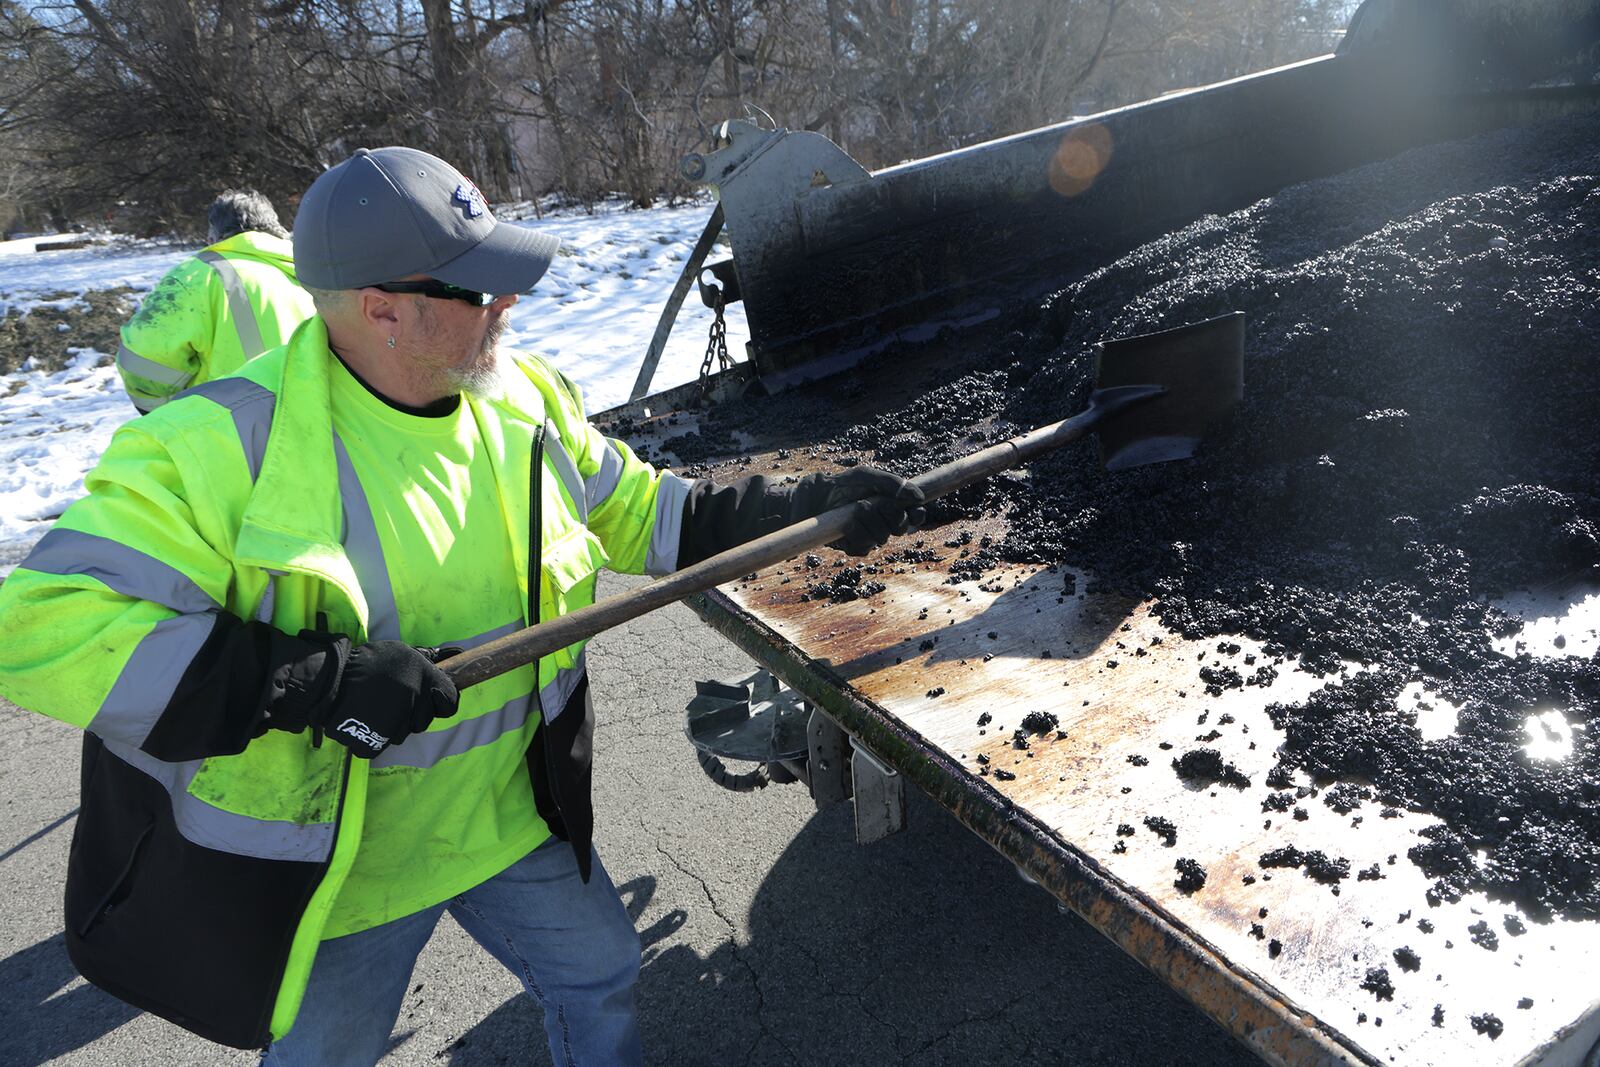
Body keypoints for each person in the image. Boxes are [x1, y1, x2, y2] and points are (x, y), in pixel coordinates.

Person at [0, 146, 924, 1066]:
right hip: (343, 878)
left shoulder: (521, 400)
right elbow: (39, 625)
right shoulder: (215, 448)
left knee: (600, 971)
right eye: (477, 289)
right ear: (382, 309)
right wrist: (311, 683)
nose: (506, 304)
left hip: (508, 822)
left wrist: (803, 511)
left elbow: (643, 513)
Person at [116, 188, 315, 413]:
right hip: (312, 421)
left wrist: (161, 414)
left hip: (230, 429)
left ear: (212, 238)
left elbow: (143, 362)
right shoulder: (313, 272)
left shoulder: (196, 276)